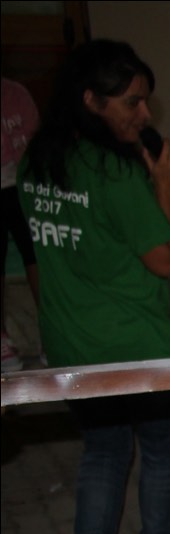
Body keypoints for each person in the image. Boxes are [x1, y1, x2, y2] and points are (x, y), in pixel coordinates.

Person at [20, 40, 170, 534]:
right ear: (91, 100)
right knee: (163, 446)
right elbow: (165, 260)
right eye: (131, 102)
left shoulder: (37, 161)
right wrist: (165, 191)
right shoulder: (116, 172)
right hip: (136, 343)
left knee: (103, 448)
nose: (144, 115)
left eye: (145, 101)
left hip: (71, 341)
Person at [2, 74, 40, 372]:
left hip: (22, 184)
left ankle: (50, 325)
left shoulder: (16, 93)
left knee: (37, 255)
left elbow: (34, 140)